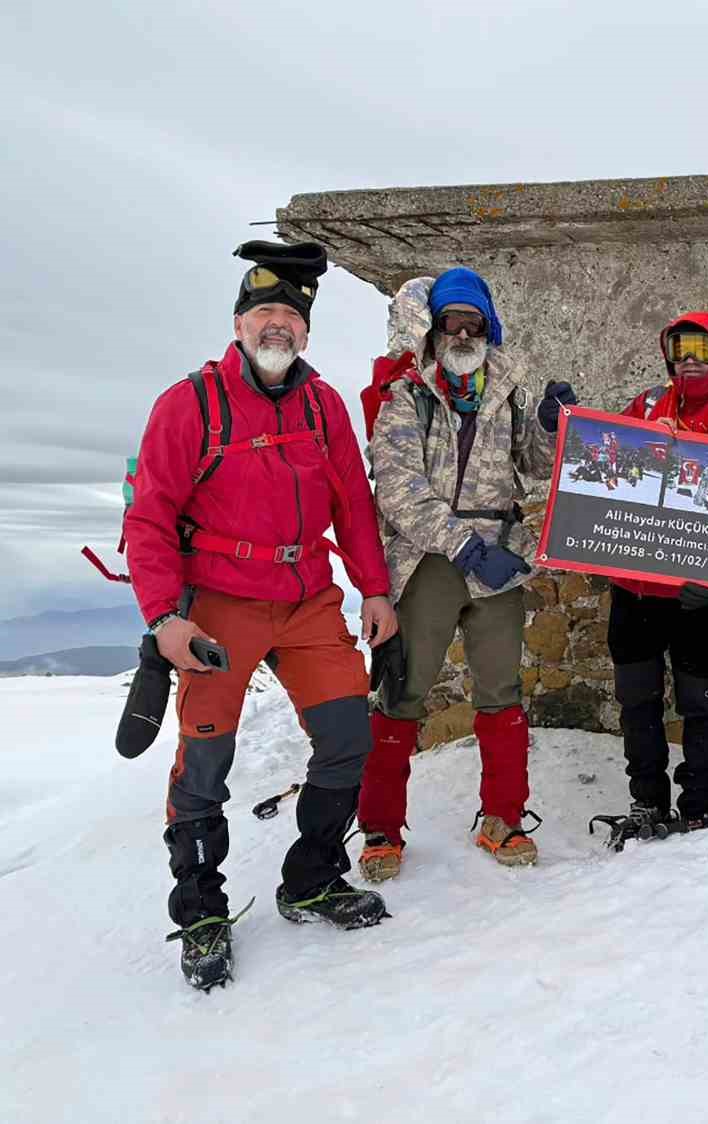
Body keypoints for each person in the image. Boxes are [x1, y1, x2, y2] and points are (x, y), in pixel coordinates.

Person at [124, 241, 398, 991]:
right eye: (264, 312)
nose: (278, 324)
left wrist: (374, 590)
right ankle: (201, 910)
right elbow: (149, 518)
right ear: (239, 324)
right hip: (219, 602)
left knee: (347, 736)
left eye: (291, 315)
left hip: (306, 595)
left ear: (306, 331)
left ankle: (311, 878)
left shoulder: (322, 405)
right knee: (206, 758)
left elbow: (353, 504)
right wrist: (164, 618)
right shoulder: (191, 404)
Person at [358, 269, 574, 879]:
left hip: (498, 560)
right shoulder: (406, 394)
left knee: (501, 691)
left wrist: (550, 424)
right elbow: (398, 489)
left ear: (488, 328)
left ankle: (503, 818)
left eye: (473, 322)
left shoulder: (506, 391)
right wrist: (465, 547)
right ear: (434, 328)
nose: (462, 332)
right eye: (451, 320)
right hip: (430, 560)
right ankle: (380, 827)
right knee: (403, 691)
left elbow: (532, 464)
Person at [606, 313, 708, 839]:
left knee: (701, 703)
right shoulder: (649, 404)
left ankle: (699, 805)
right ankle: (646, 800)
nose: (689, 361)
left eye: (702, 349)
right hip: (637, 588)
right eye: (680, 350)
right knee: (638, 699)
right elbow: (611, 460)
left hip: (698, 594)